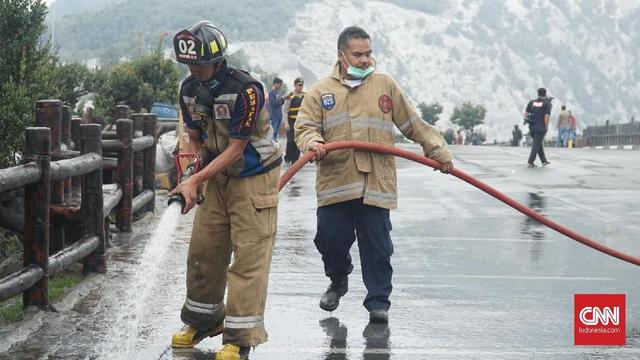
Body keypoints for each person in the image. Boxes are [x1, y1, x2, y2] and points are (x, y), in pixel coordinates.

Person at [295, 26, 454, 324]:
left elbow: (413, 123)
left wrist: (438, 152)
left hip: (375, 183)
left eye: (368, 53)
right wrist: (313, 142)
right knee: (329, 239)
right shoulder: (320, 92)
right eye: (358, 54)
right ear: (341, 55)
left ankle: (378, 301)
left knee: (378, 246)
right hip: (336, 182)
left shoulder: (385, 85)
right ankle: (338, 279)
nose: (366, 59)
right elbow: (304, 127)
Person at [169, 21, 282, 360]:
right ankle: (203, 320)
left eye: (200, 64)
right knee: (204, 248)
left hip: (253, 176)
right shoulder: (189, 89)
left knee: (248, 255)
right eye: (190, 64)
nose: (195, 70)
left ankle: (240, 336)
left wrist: (195, 179)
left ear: (218, 59)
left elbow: (235, 149)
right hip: (216, 177)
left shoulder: (245, 89)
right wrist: (191, 172)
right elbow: (197, 141)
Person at [524, 87, 552, 167]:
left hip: (532, 126)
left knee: (538, 143)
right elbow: (546, 116)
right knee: (536, 145)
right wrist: (546, 127)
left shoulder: (532, 102)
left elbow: (526, 113)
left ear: (538, 93)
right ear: (545, 94)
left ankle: (544, 160)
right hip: (540, 127)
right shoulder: (547, 104)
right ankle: (530, 161)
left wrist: (527, 120)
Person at [283, 77, 305, 163]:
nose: (301, 87)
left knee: (298, 140)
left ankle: (295, 159)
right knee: (290, 140)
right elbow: (285, 111)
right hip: (291, 122)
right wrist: (286, 123)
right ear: (295, 85)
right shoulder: (290, 96)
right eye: (299, 85)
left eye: (302, 85)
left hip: (301, 122)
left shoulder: (305, 96)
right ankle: (288, 156)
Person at [268, 77, 285, 141]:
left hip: (279, 114)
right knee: (273, 131)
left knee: (276, 131)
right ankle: (272, 143)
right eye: (279, 85)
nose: (280, 87)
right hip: (274, 115)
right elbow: (273, 103)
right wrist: (281, 99)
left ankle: (275, 143)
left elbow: (281, 103)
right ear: (275, 83)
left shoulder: (278, 92)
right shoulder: (271, 93)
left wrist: (283, 100)